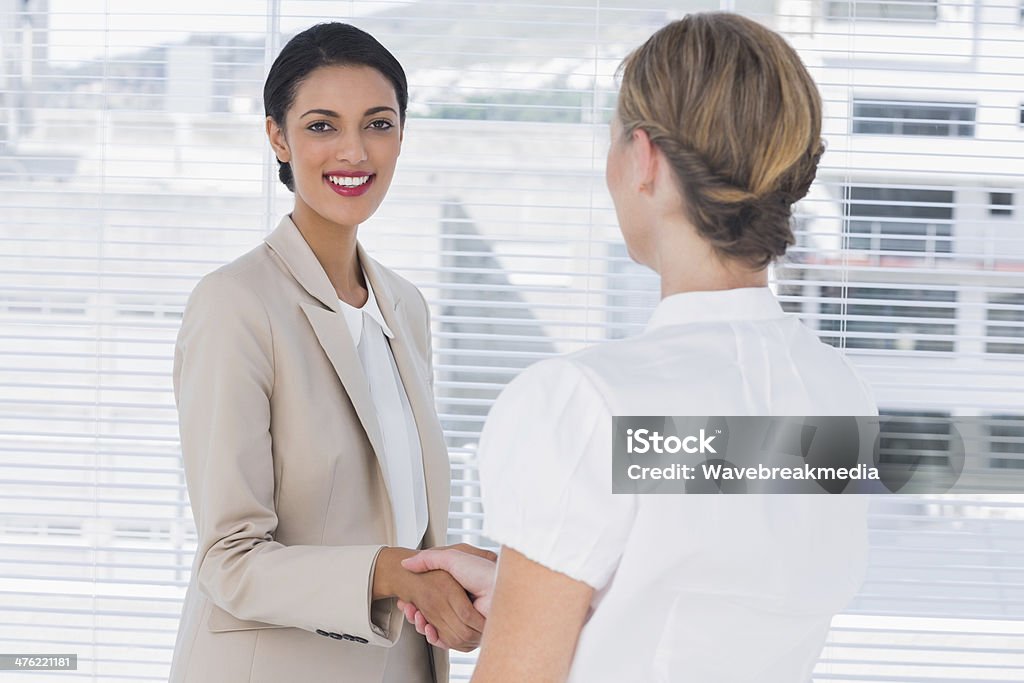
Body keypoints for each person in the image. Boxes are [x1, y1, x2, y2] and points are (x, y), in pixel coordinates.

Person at [397, 13, 876, 683]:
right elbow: (709, 597)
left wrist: (530, 607)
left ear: (644, 157)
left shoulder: (586, 402)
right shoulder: (837, 394)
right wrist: (534, 589)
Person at [169, 22, 493, 683]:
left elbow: (398, 509)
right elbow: (228, 558)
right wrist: (388, 570)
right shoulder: (235, 303)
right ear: (278, 137)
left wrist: (443, 577)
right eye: (322, 126)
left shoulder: (405, 307)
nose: (354, 150)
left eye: (378, 123)